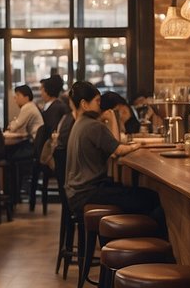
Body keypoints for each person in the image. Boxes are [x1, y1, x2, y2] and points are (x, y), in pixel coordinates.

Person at [64, 81, 164, 230]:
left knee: (131, 193)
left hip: (76, 194)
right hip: (88, 193)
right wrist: (138, 145)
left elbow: (114, 146)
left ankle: (122, 243)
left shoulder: (79, 123)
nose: (100, 104)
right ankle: (150, 250)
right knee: (151, 198)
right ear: (84, 104)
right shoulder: (93, 125)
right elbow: (118, 150)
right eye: (97, 101)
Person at [3, 84, 44, 163]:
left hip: (33, 145)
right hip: (35, 143)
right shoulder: (30, 106)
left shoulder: (28, 107)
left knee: (9, 153)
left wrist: (12, 124)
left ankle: (15, 175)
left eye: (18, 95)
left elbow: (15, 127)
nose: (15, 98)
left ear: (26, 97)